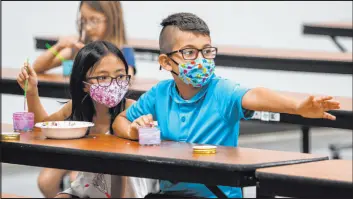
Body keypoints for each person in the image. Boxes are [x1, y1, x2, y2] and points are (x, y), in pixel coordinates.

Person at [112, 13, 341, 198]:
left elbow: (256, 95)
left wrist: (297, 106)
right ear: (165, 61)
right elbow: (120, 121)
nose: (201, 60)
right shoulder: (159, 94)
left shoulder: (221, 91)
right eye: (190, 52)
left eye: (207, 51)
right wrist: (133, 131)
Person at [17, 41, 157, 198]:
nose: (113, 84)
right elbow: (43, 126)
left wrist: (145, 127)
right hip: (89, 188)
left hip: (128, 190)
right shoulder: (77, 108)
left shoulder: (133, 110)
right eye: (103, 77)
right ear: (84, 84)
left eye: (120, 75)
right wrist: (32, 92)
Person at [32, 1, 136, 77]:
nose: (88, 27)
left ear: (112, 20)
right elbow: (37, 67)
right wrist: (59, 46)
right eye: (83, 20)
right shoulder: (80, 48)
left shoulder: (124, 51)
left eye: (94, 20)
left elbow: (128, 79)